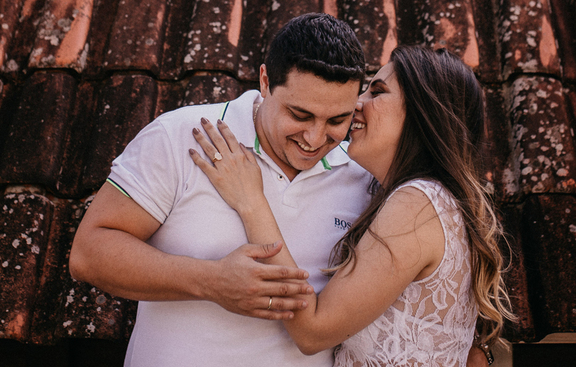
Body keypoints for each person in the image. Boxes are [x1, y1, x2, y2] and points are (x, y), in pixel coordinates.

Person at [69, 13, 375, 366]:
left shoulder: (364, 180)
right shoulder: (180, 136)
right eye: (300, 114)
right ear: (265, 80)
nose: (315, 138)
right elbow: (88, 253)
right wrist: (211, 282)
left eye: (337, 120)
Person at [190, 45, 512, 366]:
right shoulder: (433, 202)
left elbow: (313, 332)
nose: (357, 104)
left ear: (422, 113)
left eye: (378, 92)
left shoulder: (419, 203)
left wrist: (251, 201)